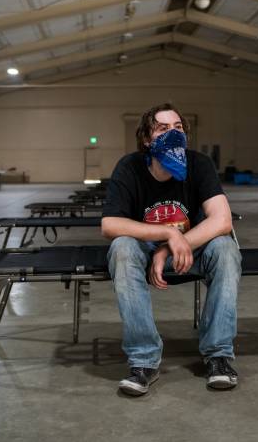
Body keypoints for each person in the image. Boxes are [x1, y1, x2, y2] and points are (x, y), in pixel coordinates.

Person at [101, 103, 242, 396]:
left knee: (226, 249)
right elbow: (110, 225)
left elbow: (222, 219)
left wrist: (169, 247)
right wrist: (166, 233)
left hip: (187, 251)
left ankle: (218, 356)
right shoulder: (129, 166)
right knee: (122, 247)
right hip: (144, 252)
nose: (173, 134)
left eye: (178, 128)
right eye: (163, 129)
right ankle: (144, 361)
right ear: (146, 139)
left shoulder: (199, 163)